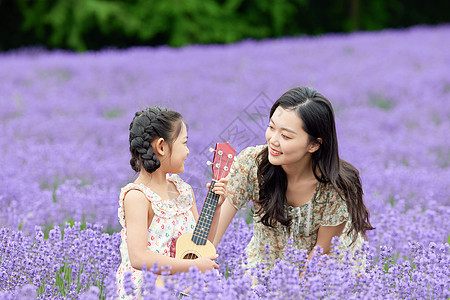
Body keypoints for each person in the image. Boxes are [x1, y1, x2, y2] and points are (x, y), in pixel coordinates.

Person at [210, 86, 374, 271]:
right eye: (271, 127)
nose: (273, 140)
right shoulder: (251, 163)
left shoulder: (337, 185)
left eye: (286, 136)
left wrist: (291, 290)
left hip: (326, 266)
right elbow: (211, 237)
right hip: (266, 263)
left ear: (313, 144)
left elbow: (321, 252)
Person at [116, 106, 227, 299]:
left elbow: (200, 244)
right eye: (184, 143)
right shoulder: (137, 197)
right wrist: (192, 267)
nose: (188, 150)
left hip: (184, 289)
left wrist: (216, 208)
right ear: (161, 147)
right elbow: (139, 257)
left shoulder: (183, 190)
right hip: (149, 292)